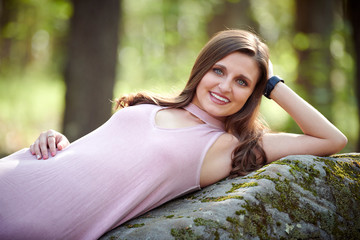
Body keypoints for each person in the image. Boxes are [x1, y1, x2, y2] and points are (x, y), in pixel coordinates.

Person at [0, 29, 347, 240]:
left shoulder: (228, 147)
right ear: (202, 69)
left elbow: (331, 140)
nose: (225, 86)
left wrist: (273, 83)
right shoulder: (149, 104)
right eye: (218, 70)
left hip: (42, 221)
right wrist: (54, 138)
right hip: (20, 173)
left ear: (255, 92)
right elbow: (96, 154)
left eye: (242, 81)